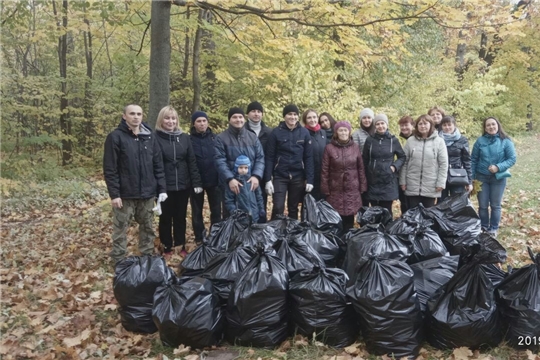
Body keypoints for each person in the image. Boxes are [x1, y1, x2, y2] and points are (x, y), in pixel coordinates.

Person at [103, 104, 166, 266]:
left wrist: (162, 189)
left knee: (147, 228)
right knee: (120, 229)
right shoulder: (115, 137)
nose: (135, 117)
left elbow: (158, 165)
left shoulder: (150, 137)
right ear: (124, 116)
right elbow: (110, 168)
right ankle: (119, 261)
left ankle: (146, 258)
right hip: (125, 194)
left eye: (139, 114)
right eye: (132, 114)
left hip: (147, 194)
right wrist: (114, 194)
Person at [154, 106, 202, 258]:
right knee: (166, 218)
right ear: (161, 120)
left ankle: (180, 245)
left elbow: (192, 162)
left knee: (180, 216)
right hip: (164, 185)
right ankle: (167, 246)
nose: (170, 121)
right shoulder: (155, 138)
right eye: (167, 118)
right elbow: (155, 164)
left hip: (183, 184)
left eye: (173, 118)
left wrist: (196, 183)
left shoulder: (184, 138)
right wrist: (159, 187)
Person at [265, 104, 314, 220]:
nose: (292, 117)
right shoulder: (276, 133)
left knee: (293, 208)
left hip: (298, 176)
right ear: (284, 116)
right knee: (278, 207)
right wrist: (267, 179)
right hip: (280, 176)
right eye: (290, 114)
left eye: (295, 114)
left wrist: (310, 179)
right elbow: (269, 157)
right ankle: (275, 233)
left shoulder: (304, 133)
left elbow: (308, 157)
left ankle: (292, 234)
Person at [215, 107, 265, 220]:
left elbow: (260, 158)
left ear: (244, 118)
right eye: (234, 117)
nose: (238, 120)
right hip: (230, 184)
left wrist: (256, 176)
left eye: (240, 117)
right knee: (231, 216)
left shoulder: (252, 137)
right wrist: (230, 179)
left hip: (250, 182)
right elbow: (220, 160)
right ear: (229, 120)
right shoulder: (221, 138)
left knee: (253, 214)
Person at [471, 117, 516, 237]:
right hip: (481, 178)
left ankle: (493, 228)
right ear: (485, 128)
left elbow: (512, 159)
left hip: (498, 178)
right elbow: (473, 160)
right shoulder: (480, 141)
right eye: (488, 125)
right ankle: (484, 227)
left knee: (495, 205)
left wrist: (498, 167)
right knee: (483, 205)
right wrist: (471, 178)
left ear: (498, 125)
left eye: (493, 124)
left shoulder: (505, 141)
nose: (491, 127)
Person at [321, 121, 368, 231]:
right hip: (335, 188)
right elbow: (324, 170)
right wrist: (325, 187)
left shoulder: (355, 147)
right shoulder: (329, 148)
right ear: (336, 132)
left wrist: (363, 186)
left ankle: (348, 241)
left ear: (349, 131)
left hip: (352, 188)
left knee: (349, 218)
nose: (343, 132)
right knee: (336, 219)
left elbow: (360, 168)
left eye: (345, 130)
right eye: (340, 130)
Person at [400, 114, 448, 209]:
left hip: (431, 185)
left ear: (431, 125)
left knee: (427, 216)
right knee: (412, 216)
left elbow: (443, 164)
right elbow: (404, 162)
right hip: (412, 184)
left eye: (425, 123)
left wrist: (441, 183)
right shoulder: (410, 141)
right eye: (420, 124)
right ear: (417, 126)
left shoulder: (439, 142)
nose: (422, 126)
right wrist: (403, 181)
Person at [362, 114, 405, 218]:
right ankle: (375, 233)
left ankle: (386, 232)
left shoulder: (393, 140)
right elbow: (365, 159)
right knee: (373, 212)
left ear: (387, 124)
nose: (380, 126)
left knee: (386, 211)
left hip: (388, 180)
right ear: (375, 126)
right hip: (373, 180)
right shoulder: (370, 140)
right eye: (377, 124)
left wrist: (394, 167)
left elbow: (402, 157)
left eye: (382, 123)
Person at [189, 110, 222, 244]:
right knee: (197, 211)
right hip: (196, 181)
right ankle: (199, 237)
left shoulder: (215, 138)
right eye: (199, 121)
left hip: (214, 180)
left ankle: (215, 235)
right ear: (194, 124)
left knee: (216, 210)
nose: (202, 124)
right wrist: (195, 181)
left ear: (208, 122)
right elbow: (189, 162)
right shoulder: (189, 140)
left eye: (204, 121)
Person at [244, 101, 273, 222]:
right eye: (253, 111)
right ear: (247, 114)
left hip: (263, 173)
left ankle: (261, 230)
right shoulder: (242, 131)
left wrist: (268, 178)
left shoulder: (269, 132)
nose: (256, 114)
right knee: (246, 203)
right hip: (245, 173)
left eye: (259, 111)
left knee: (262, 203)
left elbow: (271, 155)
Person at [440, 115, 473, 201]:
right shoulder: (438, 139)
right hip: (441, 176)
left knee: (457, 203)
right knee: (441, 203)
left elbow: (467, 160)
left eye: (449, 124)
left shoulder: (462, 140)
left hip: (458, 175)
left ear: (454, 125)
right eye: (444, 125)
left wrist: (469, 181)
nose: (447, 127)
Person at [224, 155, 265, 223]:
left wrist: (261, 209)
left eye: (246, 168)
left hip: (255, 216)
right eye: (241, 167)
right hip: (240, 219)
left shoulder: (253, 182)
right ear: (236, 168)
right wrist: (235, 212)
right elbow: (229, 201)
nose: (243, 170)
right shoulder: (234, 184)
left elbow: (259, 198)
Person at [302, 109, 326, 200]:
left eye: (314, 117)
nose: (312, 120)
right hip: (309, 175)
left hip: (322, 175)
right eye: (309, 118)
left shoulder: (322, 133)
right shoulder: (303, 133)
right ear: (305, 120)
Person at [397, 115, 414, 215]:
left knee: (411, 203)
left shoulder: (416, 139)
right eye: (402, 125)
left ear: (412, 125)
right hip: (401, 174)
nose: (404, 128)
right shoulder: (400, 139)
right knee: (403, 202)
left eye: (406, 125)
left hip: (413, 175)